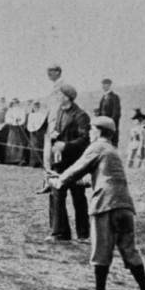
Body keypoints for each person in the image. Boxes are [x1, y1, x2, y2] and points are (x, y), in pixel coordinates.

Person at [48, 116, 145, 290]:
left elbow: (77, 169)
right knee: (130, 250)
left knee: (100, 250)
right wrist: (63, 179)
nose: (90, 132)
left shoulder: (97, 147)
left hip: (105, 205)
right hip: (125, 206)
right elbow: (98, 178)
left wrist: (58, 181)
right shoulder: (112, 151)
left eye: (91, 129)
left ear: (99, 131)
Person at [47, 84, 91, 241]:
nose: (57, 97)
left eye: (59, 94)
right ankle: (60, 233)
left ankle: (83, 234)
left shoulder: (81, 116)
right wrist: (55, 137)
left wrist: (66, 145)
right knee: (57, 196)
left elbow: (85, 139)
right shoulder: (60, 112)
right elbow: (60, 134)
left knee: (78, 198)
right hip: (60, 163)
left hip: (75, 164)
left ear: (67, 97)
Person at [97, 79, 122, 146]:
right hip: (103, 128)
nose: (103, 86)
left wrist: (110, 125)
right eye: (102, 84)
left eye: (105, 84)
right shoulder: (103, 98)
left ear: (109, 85)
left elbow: (116, 113)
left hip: (111, 128)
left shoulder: (114, 97)